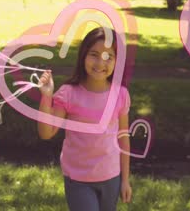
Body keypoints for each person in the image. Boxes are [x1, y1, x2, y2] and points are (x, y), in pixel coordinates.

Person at [37, 27, 132, 211]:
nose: (100, 63)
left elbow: (124, 139)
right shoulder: (68, 94)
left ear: (116, 62)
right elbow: (46, 133)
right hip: (78, 179)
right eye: (94, 54)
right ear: (83, 56)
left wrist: (125, 180)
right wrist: (46, 96)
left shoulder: (120, 95)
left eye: (108, 57)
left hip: (111, 176)